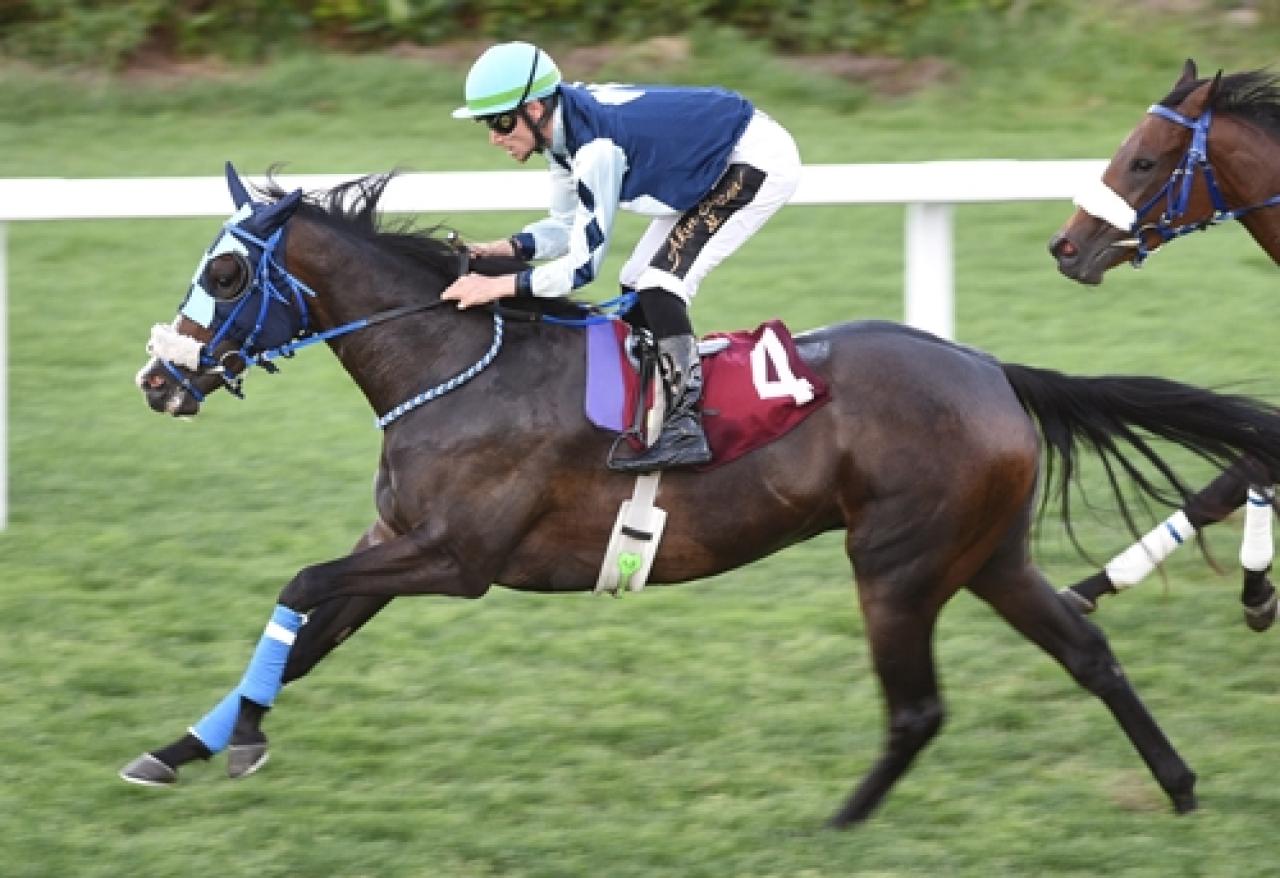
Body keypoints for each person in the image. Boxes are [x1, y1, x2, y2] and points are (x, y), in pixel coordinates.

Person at [443, 41, 802, 472]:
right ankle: (640, 408)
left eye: (500, 123)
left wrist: (498, 285)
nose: (494, 138)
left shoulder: (594, 149)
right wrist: (503, 249)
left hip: (751, 160)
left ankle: (684, 428)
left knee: (661, 283)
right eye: (486, 124)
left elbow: (581, 268)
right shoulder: (561, 134)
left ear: (535, 109)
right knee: (635, 283)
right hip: (712, 160)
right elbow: (565, 226)